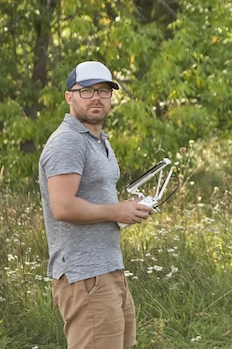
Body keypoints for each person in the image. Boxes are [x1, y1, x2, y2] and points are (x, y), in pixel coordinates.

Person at [39, 61, 154, 349]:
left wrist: (128, 208)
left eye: (104, 91)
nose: (96, 98)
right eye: (86, 91)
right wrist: (116, 210)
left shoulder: (98, 139)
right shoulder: (68, 141)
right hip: (83, 275)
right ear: (69, 96)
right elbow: (63, 207)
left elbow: (95, 200)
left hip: (107, 268)